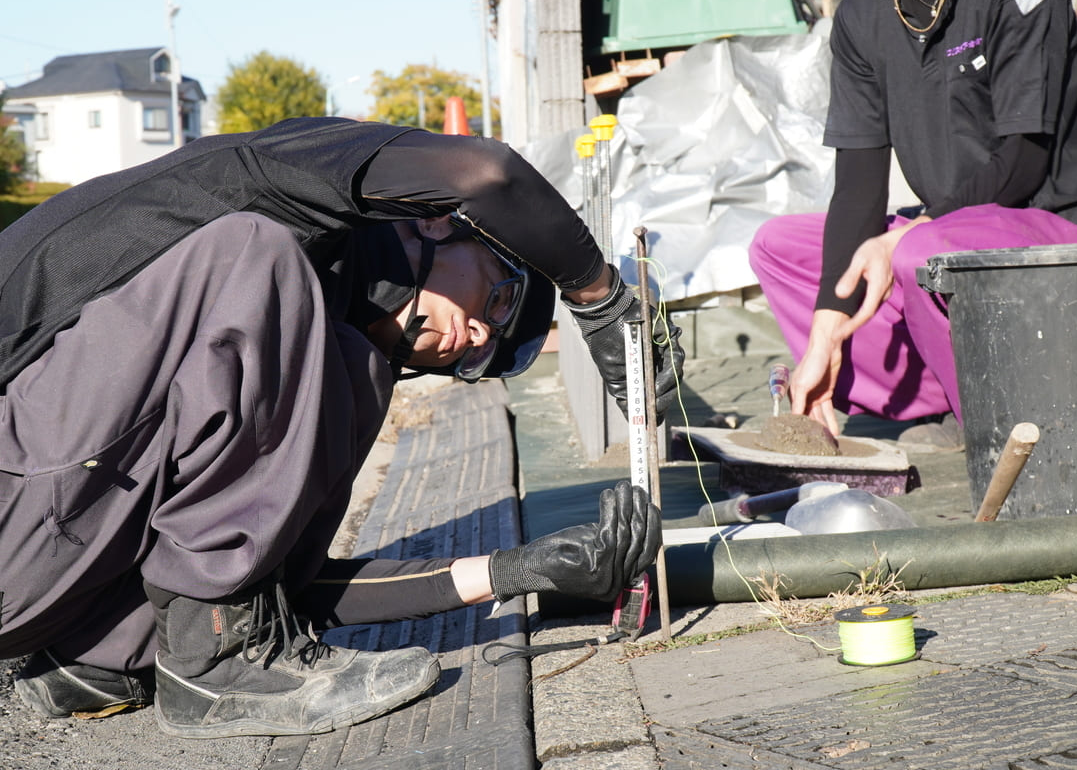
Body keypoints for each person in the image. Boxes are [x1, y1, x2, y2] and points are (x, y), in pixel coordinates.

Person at [0, 117, 682, 738]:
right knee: (254, 254)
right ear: (442, 224)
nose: (477, 336)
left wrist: (519, 571)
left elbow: (270, 586)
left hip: (41, 572)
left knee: (350, 366)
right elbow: (488, 174)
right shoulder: (273, 184)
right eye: (500, 297)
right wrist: (599, 295)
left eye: (485, 354)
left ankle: (99, 657)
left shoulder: (319, 349)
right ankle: (217, 668)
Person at [749, 0, 1077, 449]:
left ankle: (1001, 411)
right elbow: (858, 187)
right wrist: (825, 334)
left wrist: (909, 234)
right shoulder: (864, 11)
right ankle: (941, 392)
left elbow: (1023, 161)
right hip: (948, 226)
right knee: (779, 248)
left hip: (1060, 225)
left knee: (919, 254)